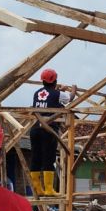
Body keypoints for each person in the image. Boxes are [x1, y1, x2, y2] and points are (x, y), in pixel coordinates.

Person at [30, 68, 75, 197]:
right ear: (55, 80)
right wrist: (74, 88)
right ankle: (49, 189)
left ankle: (38, 189)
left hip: (35, 128)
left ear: (42, 81)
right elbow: (70, 98)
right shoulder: (57, 94)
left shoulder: (37, 93)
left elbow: (49, 98)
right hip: (48, 129)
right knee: (48, 158)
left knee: (36, 158)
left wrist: (60, 90)